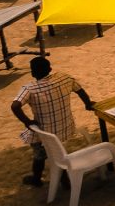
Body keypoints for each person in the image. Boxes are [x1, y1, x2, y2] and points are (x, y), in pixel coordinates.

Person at [11, 56, 94, 187]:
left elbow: (15, 106)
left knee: (40, 153)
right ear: (50, 69)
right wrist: (88, 104)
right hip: (65, 127)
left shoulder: (29, 89)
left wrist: (27, 122)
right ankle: (62, 178)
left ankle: (38, 179)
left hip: (46, 134)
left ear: (32, 73)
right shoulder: (64, 78)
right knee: (53, 149)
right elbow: (80, 90)